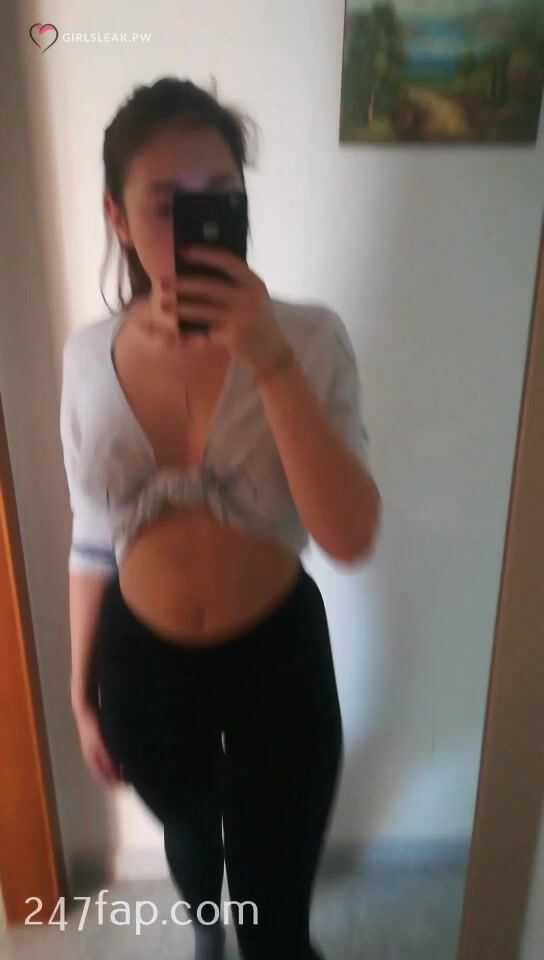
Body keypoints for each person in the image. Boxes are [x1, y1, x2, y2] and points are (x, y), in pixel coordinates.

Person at [60, 76, 381, 960]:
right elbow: (91, 537)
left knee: (278, 924)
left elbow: (350, 537)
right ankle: (207, 933)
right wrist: (80, 694)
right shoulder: (87, 358)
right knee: (193, 842)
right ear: (117, 216)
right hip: (141, 666)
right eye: (166, 204)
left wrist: (268, 359)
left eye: (220, 199)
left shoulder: (309, 338)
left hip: (277, 658)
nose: (196, 225)